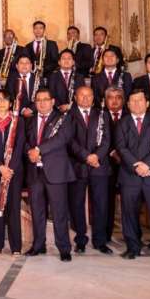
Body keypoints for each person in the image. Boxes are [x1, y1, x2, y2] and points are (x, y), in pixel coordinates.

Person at [115, 88, 150, 263]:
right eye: (133, 101)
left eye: (140, 100)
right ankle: (133, 247)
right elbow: (121, 147)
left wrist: (146, 164)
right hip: (130, 175)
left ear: (147, 103)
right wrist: (136, 165)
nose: (136, 104)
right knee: (129, 214)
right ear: (128, 104)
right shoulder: (122, 123)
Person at [24, 88, 75, 262]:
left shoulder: (63, 118)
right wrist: (30, 152)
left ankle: (64, 248)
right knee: (37, 211)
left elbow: (62, 138)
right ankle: (38, 245)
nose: (42, 103)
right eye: (38, 100)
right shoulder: (29, 120)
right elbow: (23, 141)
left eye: (45, 99)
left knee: (59, 211)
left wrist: (38, 150)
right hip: (34, 172)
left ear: (53, 101)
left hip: (56, 172)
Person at [68, 86, 113, 254]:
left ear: (93, 98)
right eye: (82, 95)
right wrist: (86, 156)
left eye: (89, 96)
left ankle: (100, 241)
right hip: (78, 166)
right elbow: (70, 141)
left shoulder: (102, 114)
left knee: (100, 204)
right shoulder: (69, 115)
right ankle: (80, 240)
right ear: (75, 97)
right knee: (77, 204)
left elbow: (107, 139)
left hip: (99, 166)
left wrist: (96, 156)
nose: (86, 99)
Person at [0, 91, 26, 255]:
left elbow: (20, 145)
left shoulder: (18, 121)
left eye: (5, 100)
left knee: (13, 207)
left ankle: (16, 247)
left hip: (14, 171)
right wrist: (1, 167)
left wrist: (10, 169)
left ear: (11, 103)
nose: (2, 103)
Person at [103, 86, 126, 242]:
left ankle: (131, 235)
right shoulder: (100, 116)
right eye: (111, 97)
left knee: (130, 200)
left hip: (128, 164)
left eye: (118, 97)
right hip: (108, 164)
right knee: (107, 201)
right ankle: (107, 234)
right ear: (105, 100)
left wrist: (124, 156)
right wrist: (112, 152)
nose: (115, 100)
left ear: (123, 100)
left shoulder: (131, 115)